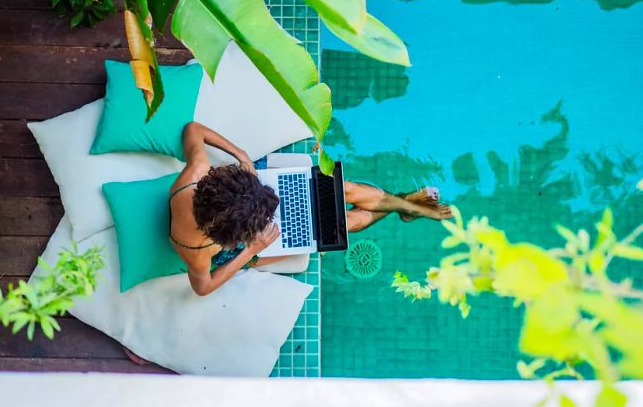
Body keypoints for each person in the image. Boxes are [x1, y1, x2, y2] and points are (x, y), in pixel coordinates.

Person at [123, 121, 452, 364]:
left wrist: (240, 156)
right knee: (343, 222)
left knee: (341, 190)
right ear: (233, 236)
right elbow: (203, 287)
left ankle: (406, 207)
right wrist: (252, 249)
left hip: (245, 200)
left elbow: (193, 130)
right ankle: (406, 207)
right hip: (253, 246)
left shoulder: (195, 177)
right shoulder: (194, 249)